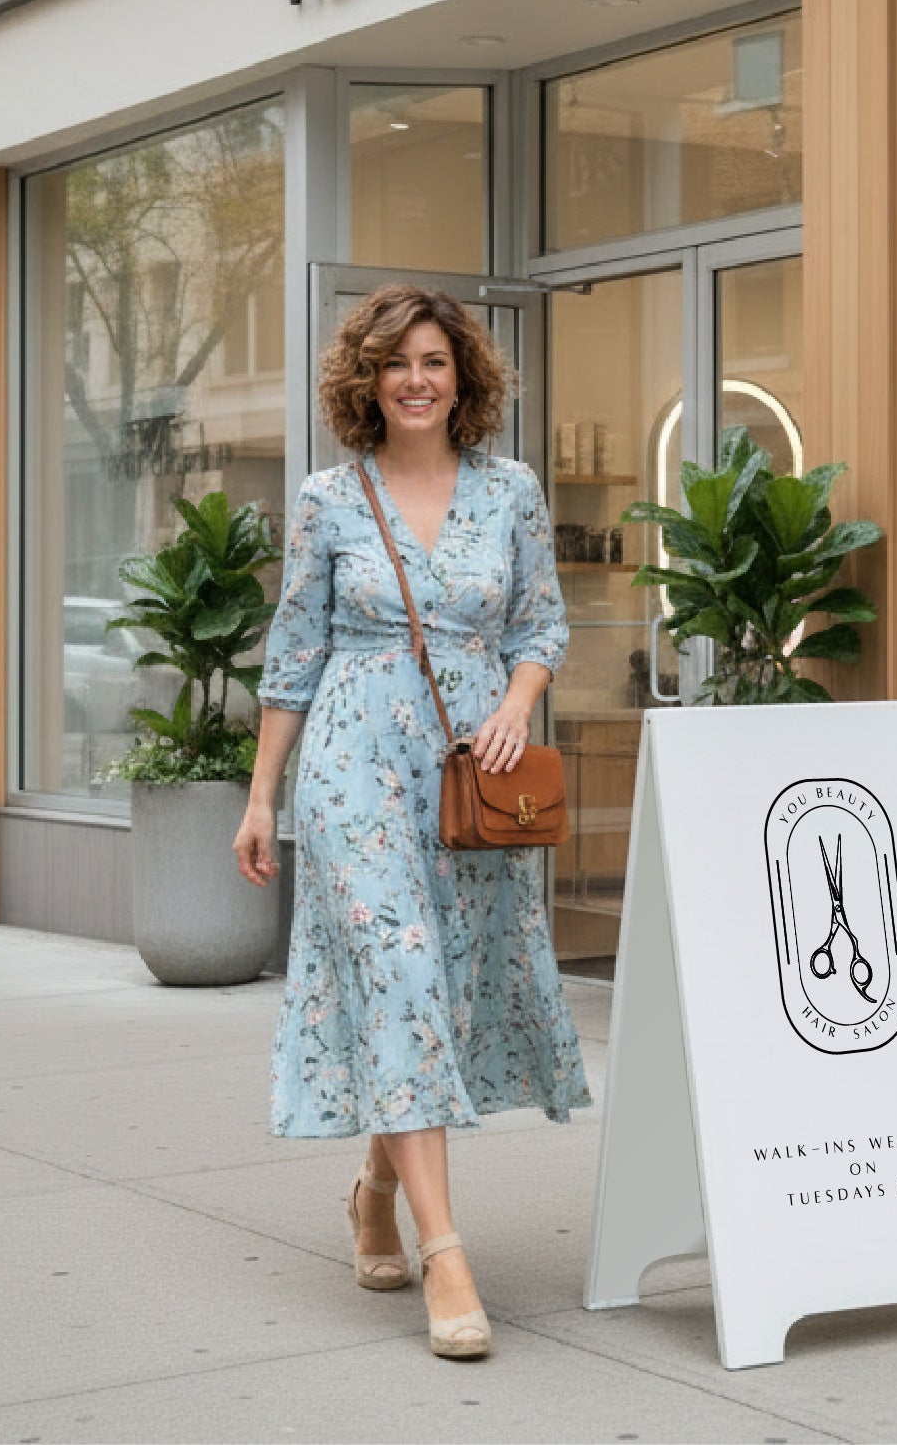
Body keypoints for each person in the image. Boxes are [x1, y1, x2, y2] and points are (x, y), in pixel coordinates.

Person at [234, 283, 590, 1361]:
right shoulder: (329, 499)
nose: (416, 379)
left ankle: (373, 1191)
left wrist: (516, 705)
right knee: (395, 972)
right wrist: (260, 796)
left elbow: (540, 624)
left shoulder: (512, 490)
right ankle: (446, 1253)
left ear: (462, 376)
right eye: (395, 362)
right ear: (366, 382)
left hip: (472, 772)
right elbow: (295, 654)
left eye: (434, 361)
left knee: (445, 989)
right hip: (353, 766)